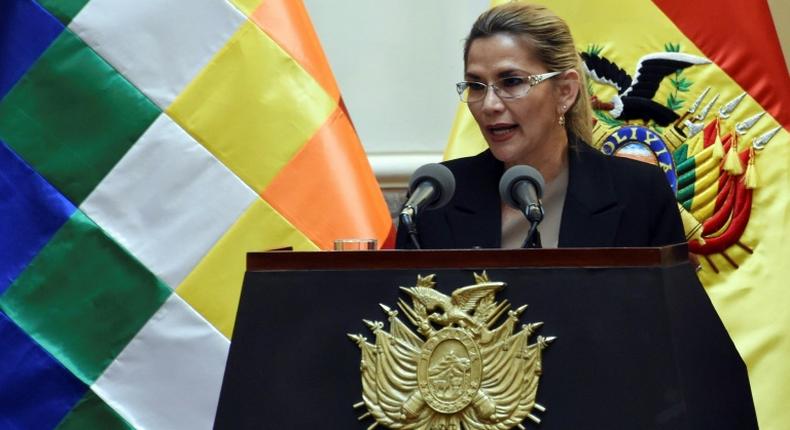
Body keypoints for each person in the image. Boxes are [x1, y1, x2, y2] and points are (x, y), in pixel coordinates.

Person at [396, 3, 685, 249]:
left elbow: (675, 313)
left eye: (511, 82)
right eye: (475, 85)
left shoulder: (639, 193)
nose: (489, 105)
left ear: (565, 92)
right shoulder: (435, 198)